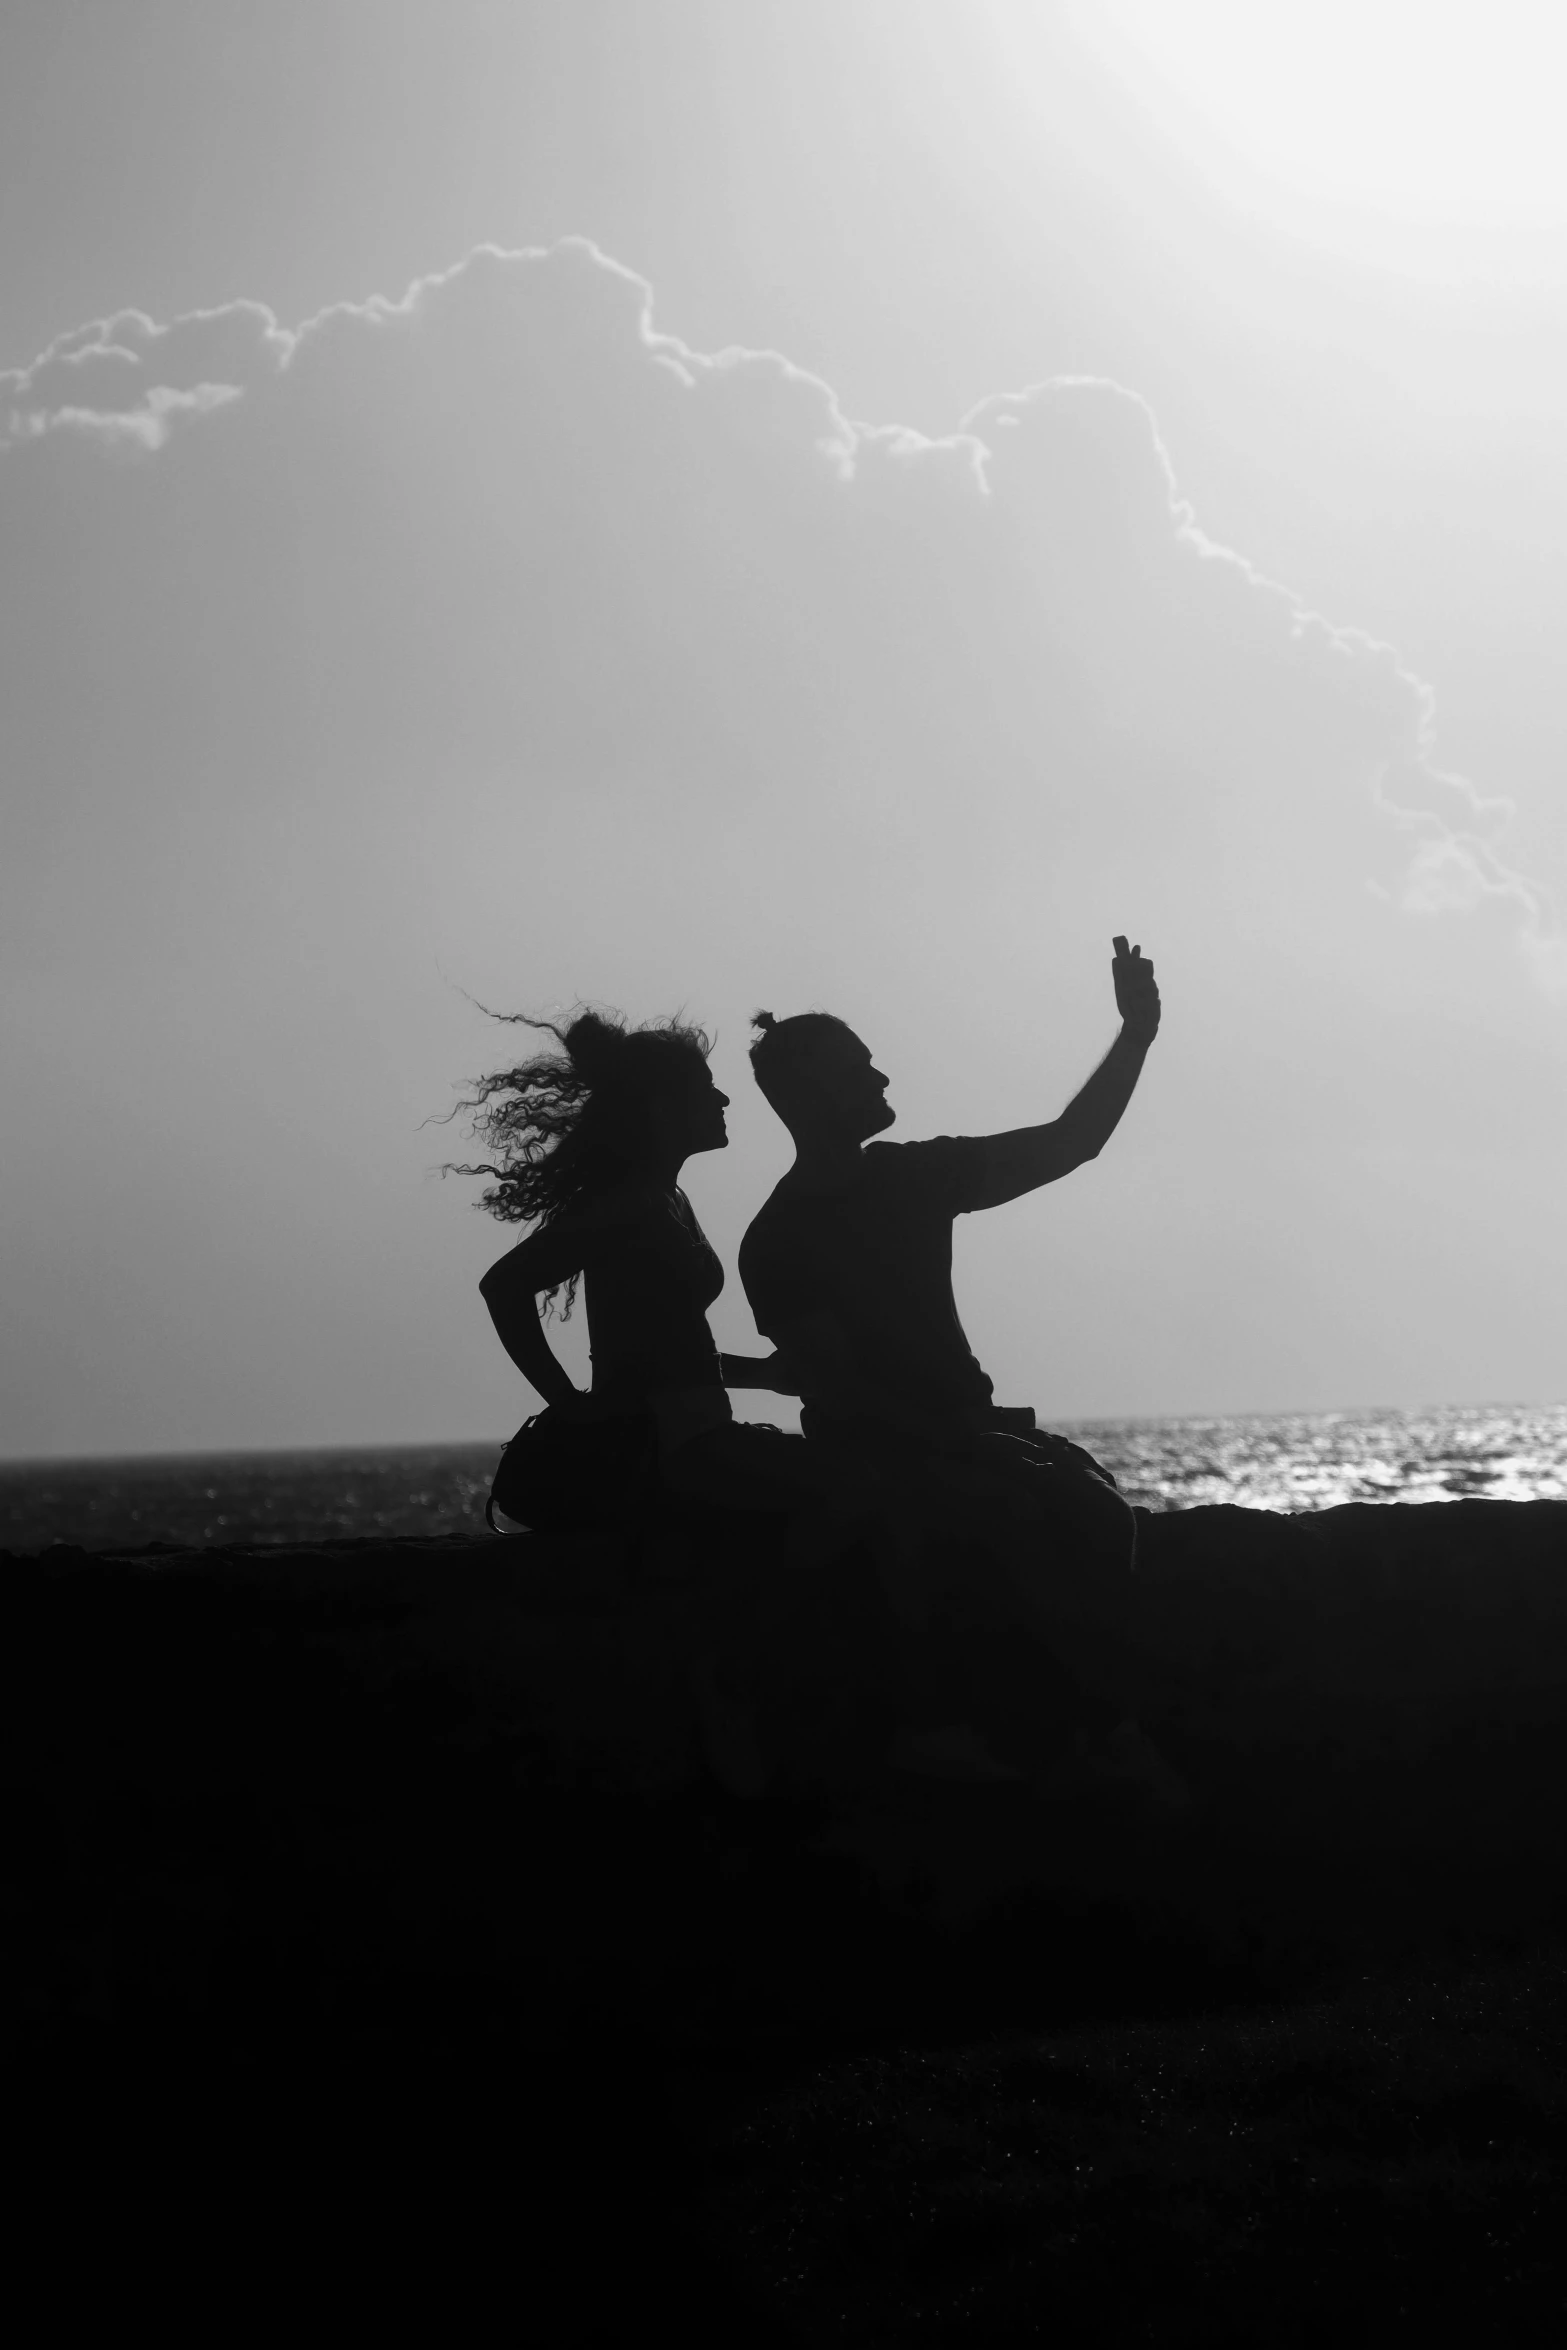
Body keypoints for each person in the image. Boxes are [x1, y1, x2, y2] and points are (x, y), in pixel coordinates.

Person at [738, 938, 1190, 1807]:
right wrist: (966, 1445)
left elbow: (1069, 1143)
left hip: (963, 1434)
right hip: (892, 1452)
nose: (879, 1079)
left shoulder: (912, 1174)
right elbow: (839, 1392)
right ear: (805, 1094)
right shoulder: (780, 1238)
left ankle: (1098, 1733)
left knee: (1097, 1513)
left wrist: (1134, 1035)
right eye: (857, 1068)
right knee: (1030, 1526)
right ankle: (1073, 1742)